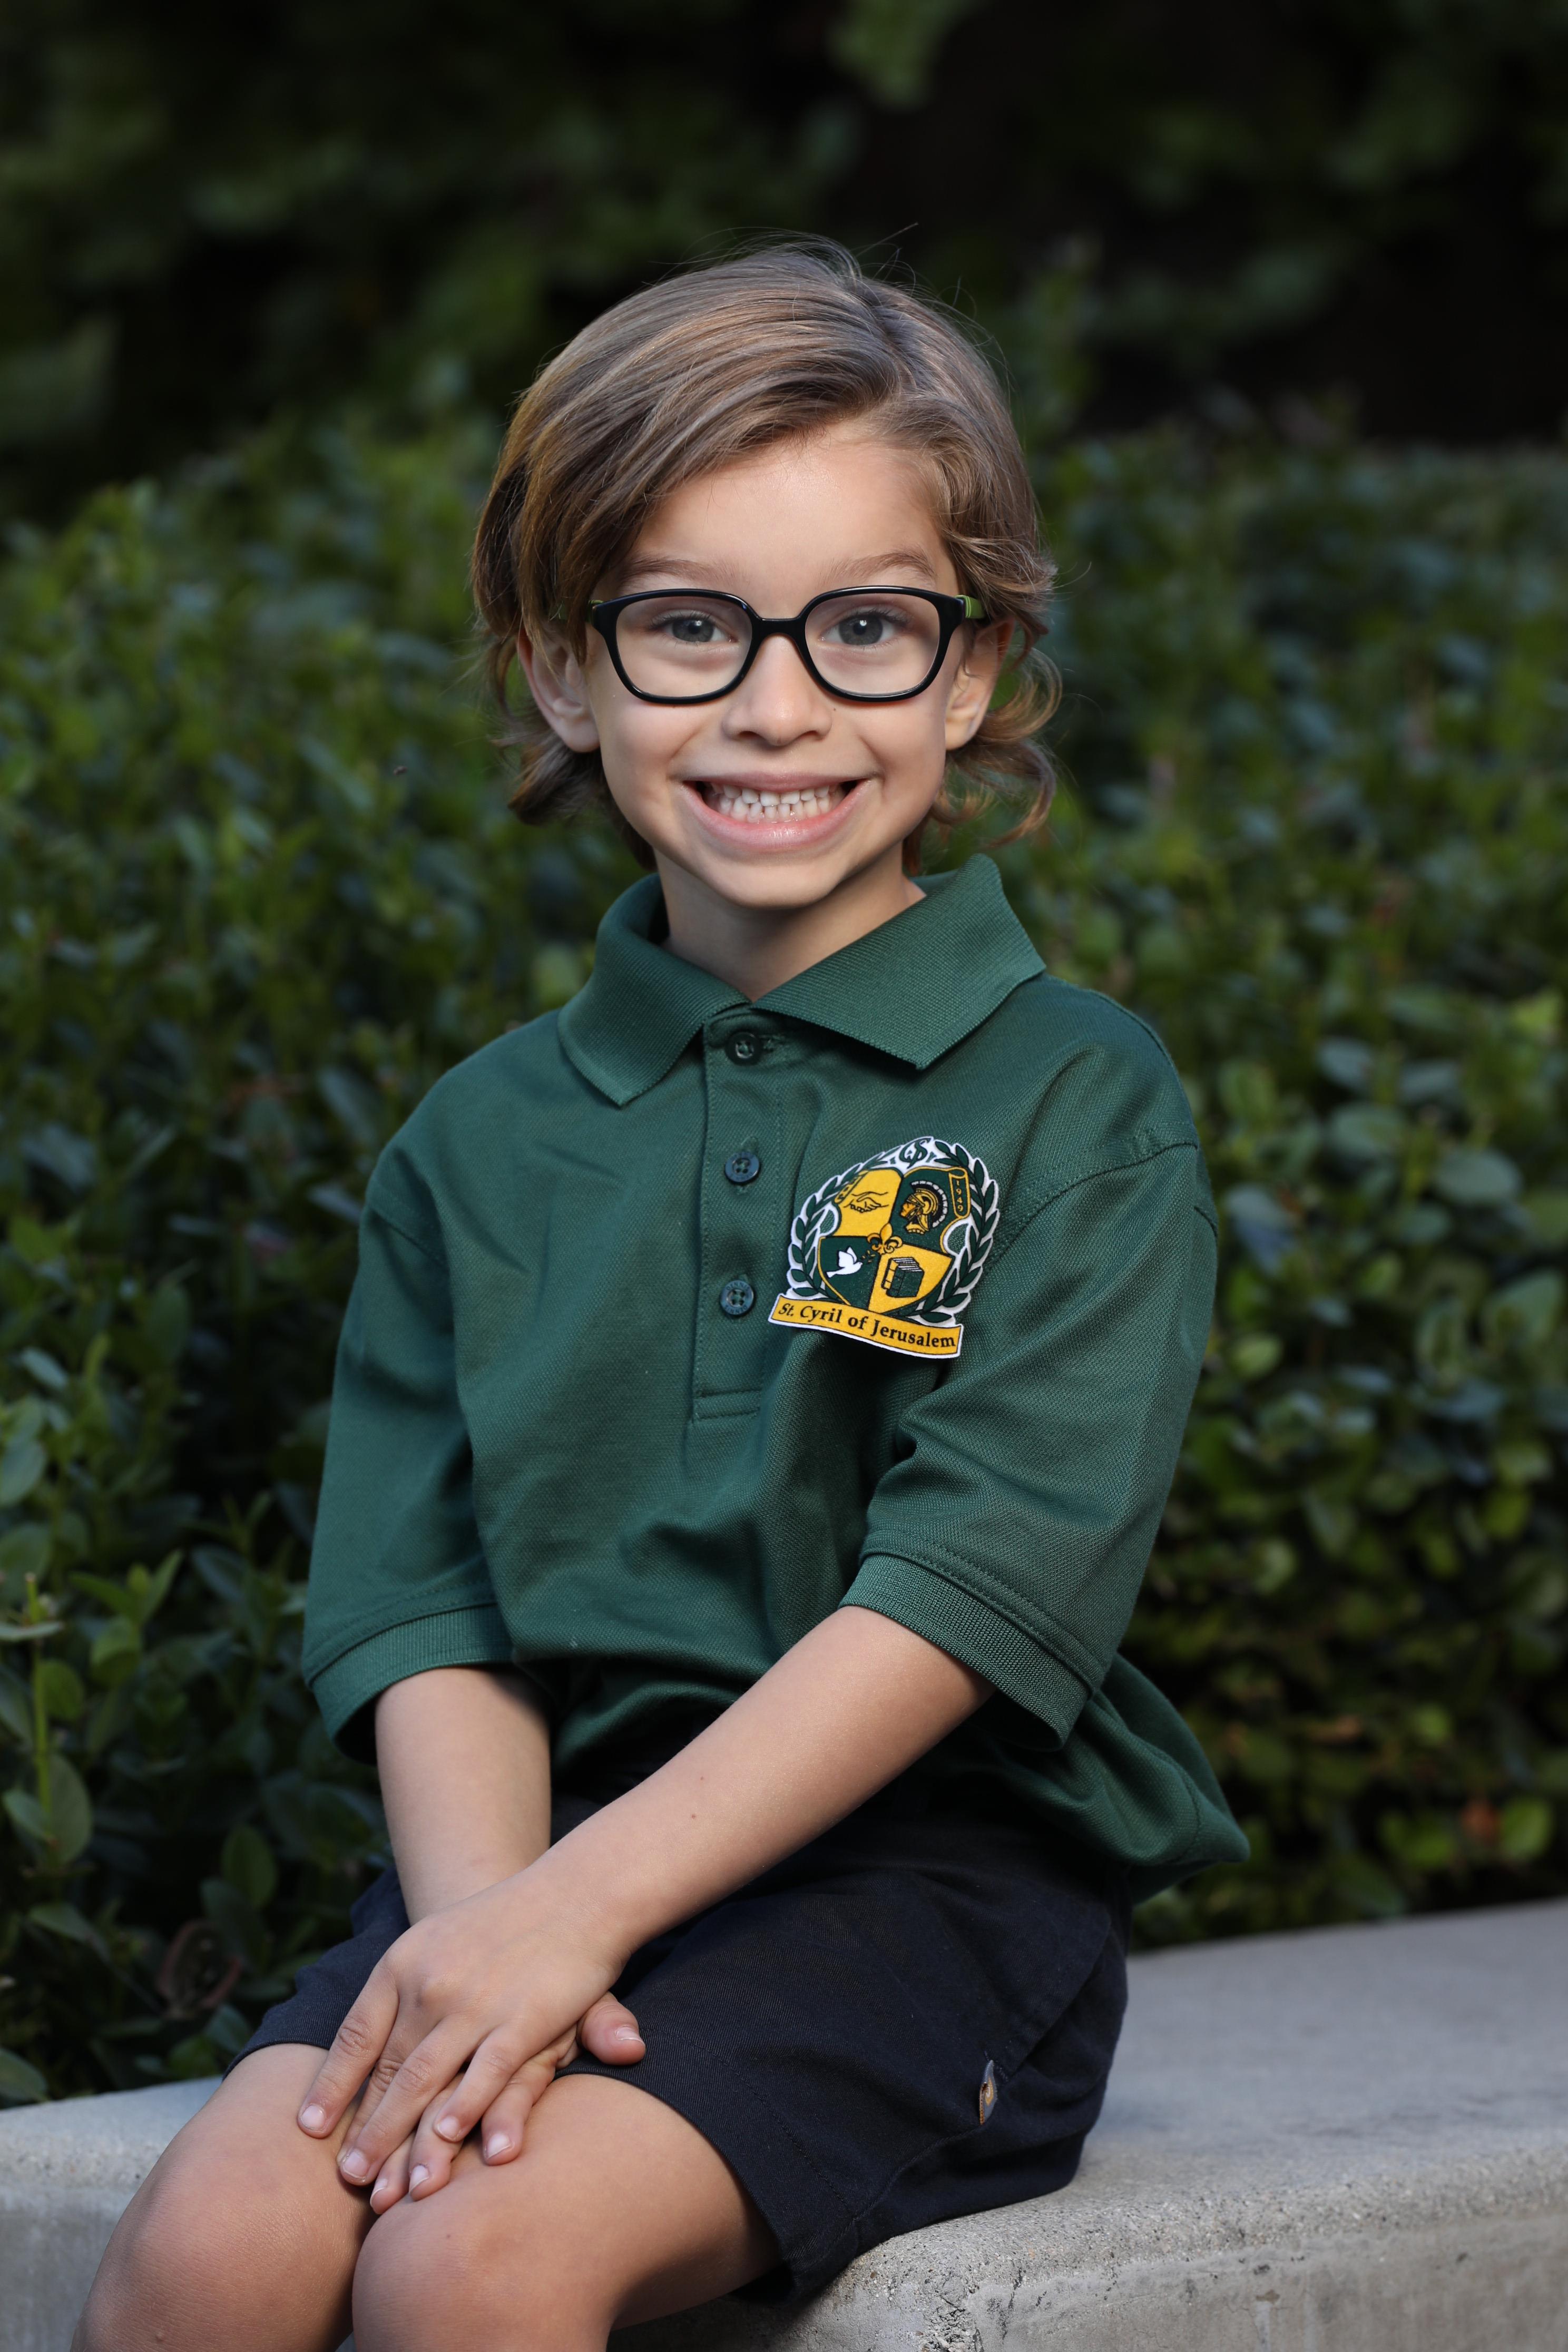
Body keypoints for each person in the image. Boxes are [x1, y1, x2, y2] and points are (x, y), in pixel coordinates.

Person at [76, 243, 1244, 2352]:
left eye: (866, 626)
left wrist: (574, 1926)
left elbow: (976, 1591)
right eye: (689, 624)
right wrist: (499, 1946)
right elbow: (432, 1607)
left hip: (918, 1889)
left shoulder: (1078, 1098)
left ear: (972, 671)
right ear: (562, 668)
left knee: (474, 2260)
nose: (776, 703)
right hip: (524, 1858)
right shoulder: (477, 1141)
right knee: (212, 2250)